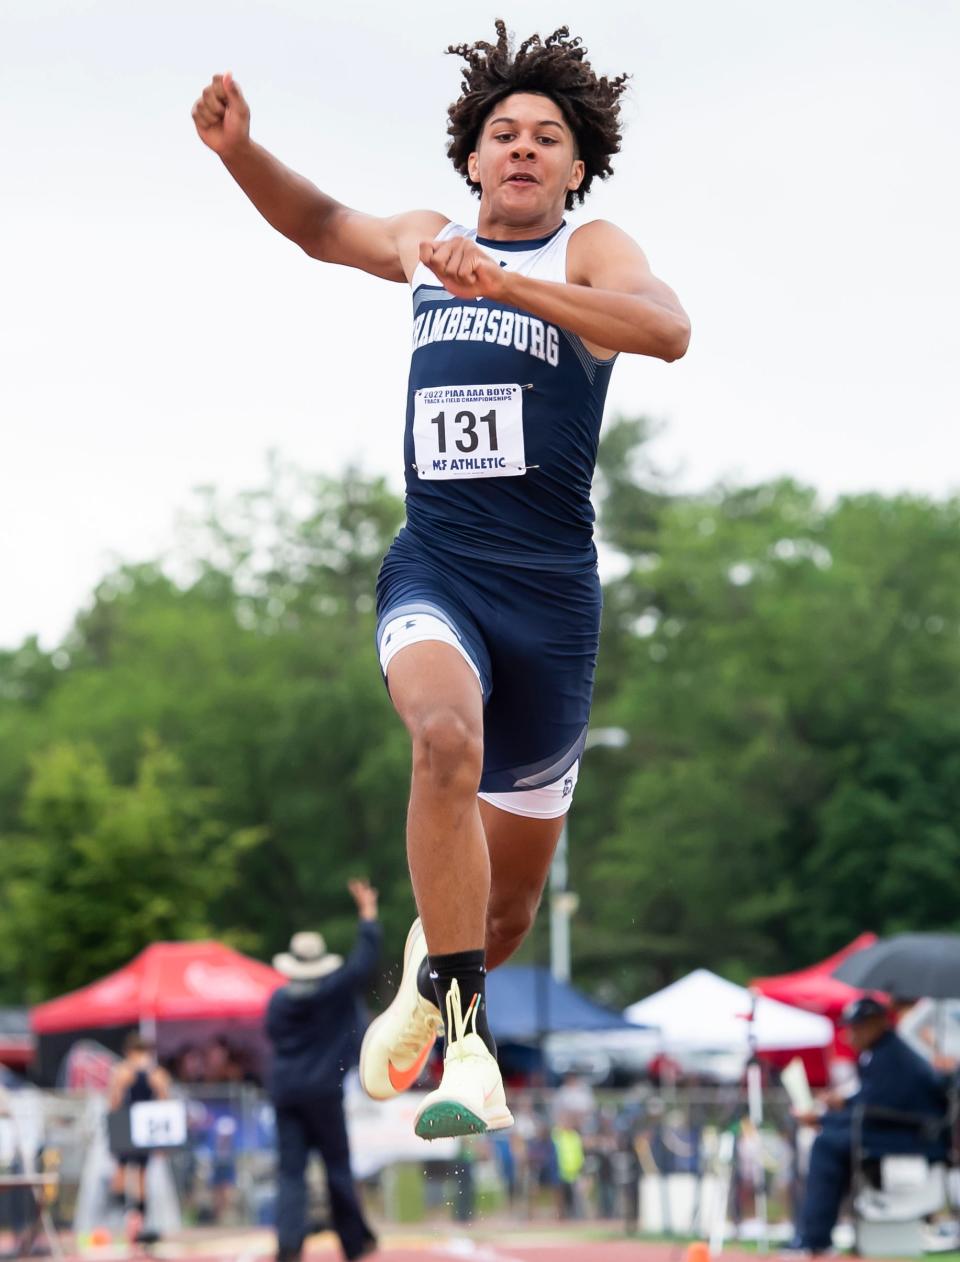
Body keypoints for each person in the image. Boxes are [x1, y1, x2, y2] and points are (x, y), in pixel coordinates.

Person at [193, 20, 689, 1141]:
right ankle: (471, 1049)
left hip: (551, 598)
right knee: (440, 740)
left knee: (505, 908)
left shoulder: (588, 251)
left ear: (576, 166)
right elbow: (322, 227)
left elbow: (667, 329)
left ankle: (428, 982)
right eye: (503, 133)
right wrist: (240, 155)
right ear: (470, 157)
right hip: (440, 563)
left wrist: (513, 293)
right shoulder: (428, 241)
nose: (522, 149)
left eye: (546, 138)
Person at [265, 879, 380, 1262]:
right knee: (337, 1168)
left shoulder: (278, 1003)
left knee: (290, 1173)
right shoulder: (333, 994)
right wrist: (367, 914)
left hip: (285, 1091)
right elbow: (363, 962)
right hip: (324, 1092)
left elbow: (271, 1037)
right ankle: (352, 1243)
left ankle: (289, 1246)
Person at [787, 996, 949, 1256]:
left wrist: (821, 1119)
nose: (851, 1034)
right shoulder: (883, 1053)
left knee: (827, 1143)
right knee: (831, 1139)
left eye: (857, 1026)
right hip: (895, 1130)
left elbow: (874, 1110)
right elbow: (872, 1102)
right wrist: (841, 1104)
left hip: (907, 1136)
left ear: (877, 1024)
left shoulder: (890, 1057)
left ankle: (814, 1237)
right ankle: (812, 1235)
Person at [106, 1032, 171, 1234]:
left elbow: (163, 1100)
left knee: (141, 1174)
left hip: (144, 1125)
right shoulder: (122, 1072)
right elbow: (114, 1103)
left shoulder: (155, 1074)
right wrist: (122, 1083)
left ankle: (139, 1221)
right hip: (126, 1124)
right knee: (122, 1171)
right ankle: (121, 1217)